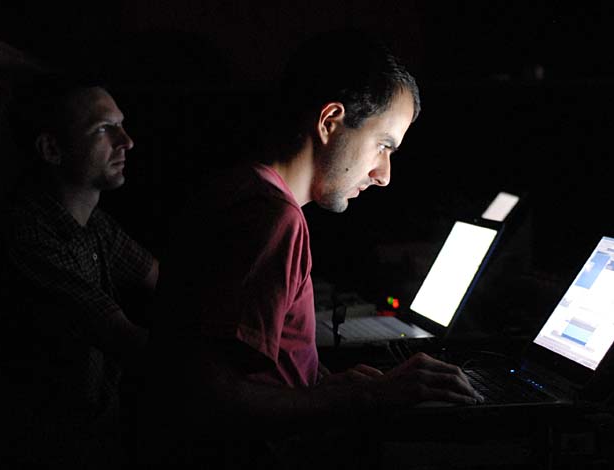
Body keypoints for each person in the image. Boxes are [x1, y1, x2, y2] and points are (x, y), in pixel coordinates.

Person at [141, 28, 482, 468]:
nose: (384, 174)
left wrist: (325, 386)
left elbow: (248, 375)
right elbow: (211, 399)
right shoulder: (272, 217)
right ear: (329, 121)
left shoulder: (236, 188)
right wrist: (368, 396)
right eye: (383, 145)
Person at [0, 73, 159, 468]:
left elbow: (161, 279)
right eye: (104, 129)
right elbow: (123, 338)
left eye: (121, 125)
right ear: (51, 149)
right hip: (48, 450)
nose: (126, 141)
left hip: (96, 436)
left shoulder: (94, 223)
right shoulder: (29, 236)